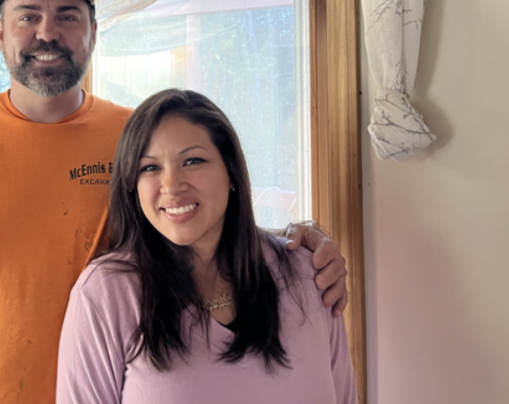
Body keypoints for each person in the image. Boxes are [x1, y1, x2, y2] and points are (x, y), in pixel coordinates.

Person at [0, 0, 349, 404]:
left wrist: (298, 246)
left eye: (68, 16)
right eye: (28, 15)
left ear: (93, 31)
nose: (47, 32)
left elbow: (206, 226)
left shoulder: (139, 142)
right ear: (0, 32)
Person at [56, 89, 356, 403]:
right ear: (132, 185)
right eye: (150, 167)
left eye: (193, 161)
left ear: (231, 173)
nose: (172, 185)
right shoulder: (107, 294)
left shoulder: (309, 274)